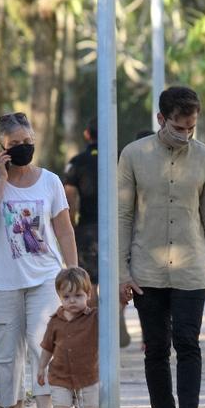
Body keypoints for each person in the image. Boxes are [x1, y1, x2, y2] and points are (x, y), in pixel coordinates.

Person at [118, 86, 205, 408]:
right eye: (178, 127)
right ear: (161, 119)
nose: (185, 135)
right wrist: (122, 272)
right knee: (155, 348)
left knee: (188, 343)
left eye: (191, 128)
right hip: (147, 271)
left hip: (190, 271)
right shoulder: (134, 155)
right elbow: (123, 215)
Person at [0, 112, 77, 408]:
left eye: (27, 142)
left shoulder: (50, 181)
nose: (22, 148)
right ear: (1, 147)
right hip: (2, 281)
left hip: (45, 277)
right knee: (6, 354)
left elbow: (63, 228)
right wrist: (2, 178)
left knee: (44, 346)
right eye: (14, 144)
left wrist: (72, 273)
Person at [63, 117, 131, 347]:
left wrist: (71, 226)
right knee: (118, 279)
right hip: (119, 228)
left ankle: (95, 331)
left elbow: (70, 197)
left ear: (86, 135)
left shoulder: (77, 163)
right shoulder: (123, 158)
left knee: (89, 283)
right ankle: (116, 318)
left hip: (89, 230)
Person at [37, 267, 98, 408]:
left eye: (78, 296)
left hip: (87, 375)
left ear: (88, 294)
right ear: (59, 296)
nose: (72, 301)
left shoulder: (95, 318)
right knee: (60, 407)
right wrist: (41, 368)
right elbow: (47, 347)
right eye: (67, 297)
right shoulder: (55, 321)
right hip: (60, 374)